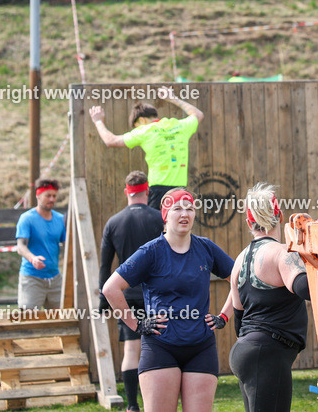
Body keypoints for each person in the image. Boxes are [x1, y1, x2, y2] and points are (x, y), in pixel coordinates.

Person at [103, 190, 235, 412]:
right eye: (177, 208)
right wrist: (136, 324)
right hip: (160, 347)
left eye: (190, 209)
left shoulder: (206, 248)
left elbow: (239, 280)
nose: (185, 214)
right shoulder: (151, 251)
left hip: (201, 348)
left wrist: (224, 316)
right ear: (165, 215)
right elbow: (111, 288)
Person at [227, 183, 310, 412]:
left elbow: (238, 319)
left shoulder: (239, 262)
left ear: (248, 223)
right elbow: (304, 288)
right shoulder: (281, 253)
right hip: (267, 353)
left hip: (245, 351)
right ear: (280, 215)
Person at [99, 171, 165, 412]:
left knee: (131, 350)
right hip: (157, 296)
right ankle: (156, 403)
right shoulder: (160, 219)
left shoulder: (113, 223)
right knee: (160, 350)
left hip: (126, 296)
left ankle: (133, 406)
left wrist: (102, 301)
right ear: (147, 192)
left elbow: (105, 266)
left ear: (127, 191)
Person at [89, 87, 204, 210]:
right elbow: (198, 114)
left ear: (142, 120)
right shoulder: (180, 126)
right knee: (177, 227)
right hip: (180, 190)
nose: (136, 129)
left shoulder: (144, 131)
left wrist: (98, 121)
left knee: (155, 228)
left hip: (158, 191)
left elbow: (111, 140)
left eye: (136, 126)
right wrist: (173, 98)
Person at [15, 178, 66, 310]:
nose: (52, 199)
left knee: (62, 319)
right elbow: (21, 247)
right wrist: (33, 259)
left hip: (55, 278)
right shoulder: (27, 218)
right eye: (48, 195)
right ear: (38, 196)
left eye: (54, 196)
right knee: (29, 319)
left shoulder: (61, 219)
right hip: (32, 278)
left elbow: (68, 247)